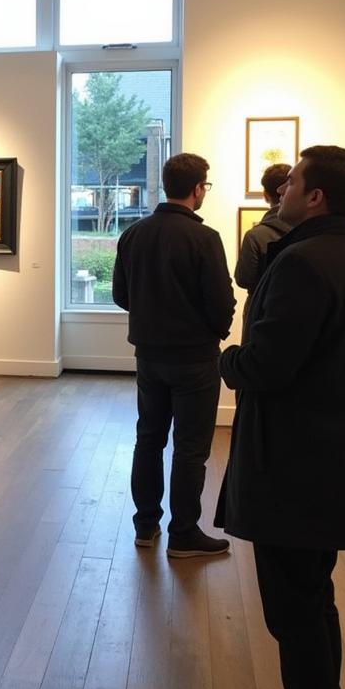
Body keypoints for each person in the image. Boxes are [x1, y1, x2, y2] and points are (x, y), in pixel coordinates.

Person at [217, 146, 345, 689]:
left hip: (297, 466)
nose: (282, 188)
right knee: (313, 596)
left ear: (314, 195)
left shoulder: (303, 263)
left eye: (291, 180)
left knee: (293, 607)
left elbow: (265, 365)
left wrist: (226, 360)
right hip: (332, 462)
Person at [112, 152, 235, 557]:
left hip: (148, 355)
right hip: (196, 359)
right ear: (198, 188)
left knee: (148, 438)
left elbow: (120, 295)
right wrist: (215, 331)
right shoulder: (205, 238)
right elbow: (220, 303)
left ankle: (145, 525)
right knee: (190, 447)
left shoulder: (134, 234)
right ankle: (183, 532)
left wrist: (151, 316)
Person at [235, 163, 292, 315]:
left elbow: (243, 279)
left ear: (266, 195)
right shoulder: (310, 232)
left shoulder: (255, 236)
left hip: (260, 309)